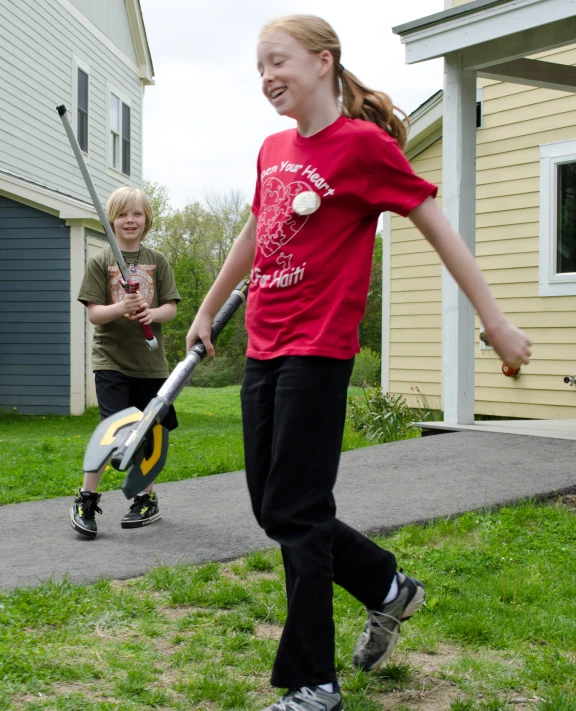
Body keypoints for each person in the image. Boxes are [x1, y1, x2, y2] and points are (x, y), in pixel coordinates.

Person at [186, 15, 533, 711]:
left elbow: (438, 229)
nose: (267, 78)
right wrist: (208, 303)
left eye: (278, 62)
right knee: (274, 506)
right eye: (259, 68)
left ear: (323, 61)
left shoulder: (364, 149)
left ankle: (315, 681)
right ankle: (387, 586)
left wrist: (494, 322)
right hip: (264, 345)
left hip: (319, 350)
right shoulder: (272, 148)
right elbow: (255, 230)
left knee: (299, 509)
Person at [71, 186, 181, 539]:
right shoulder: (100, 261)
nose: (129, 220)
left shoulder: (158, 260)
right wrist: (121, 307)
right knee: (113, 430)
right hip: (111, 359)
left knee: (146, 433)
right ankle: (86, 498)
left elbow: (171, 308)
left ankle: (144, 500)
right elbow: (94, 315)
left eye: (136, 213)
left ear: (146, 219)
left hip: (150, 363)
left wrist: (151, 311)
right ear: (111, 220)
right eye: (121, 214)